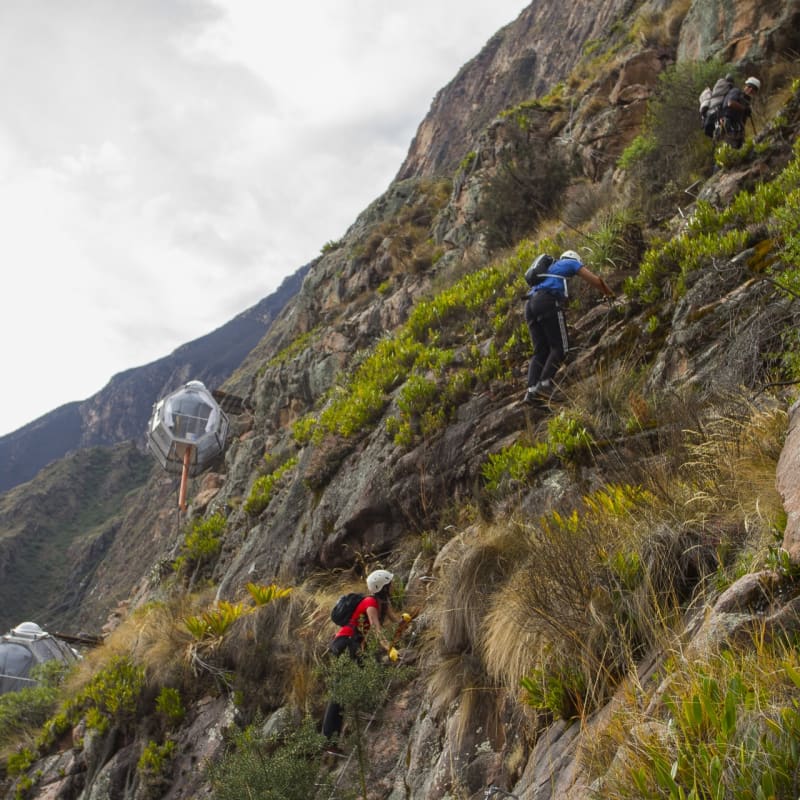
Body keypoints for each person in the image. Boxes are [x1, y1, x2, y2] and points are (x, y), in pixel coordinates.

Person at [321, 569, 409, 746]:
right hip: (345, 644)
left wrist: (405, 620)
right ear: (383, 586)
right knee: (343, 688)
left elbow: (395, 620)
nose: (393, 585)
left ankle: (362, 712)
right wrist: (390, 649)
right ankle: (328, 741)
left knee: (367, 671)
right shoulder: (370, 603)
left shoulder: (383, 602)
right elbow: (377, 631)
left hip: (352, 645)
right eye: (390, 583)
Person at [523, 249, 614, 403]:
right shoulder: (571, 262)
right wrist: (610, 294)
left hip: (529, 305)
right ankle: (545, 385)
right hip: (547, 301)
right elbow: (596, 280)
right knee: (561, 347)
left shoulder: (548, 272)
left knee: (541, 351)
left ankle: (531, 392)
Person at [717, 76, 760, 149]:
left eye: (753, 89)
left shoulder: (745, 100)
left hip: (737, 128)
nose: (750, 90)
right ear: (745, 86)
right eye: (749, 87)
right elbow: (730, 103)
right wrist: (744, 109)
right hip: (728, 124)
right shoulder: (736, 91)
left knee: (740, 147)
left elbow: (742, 119)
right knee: (731, 148)